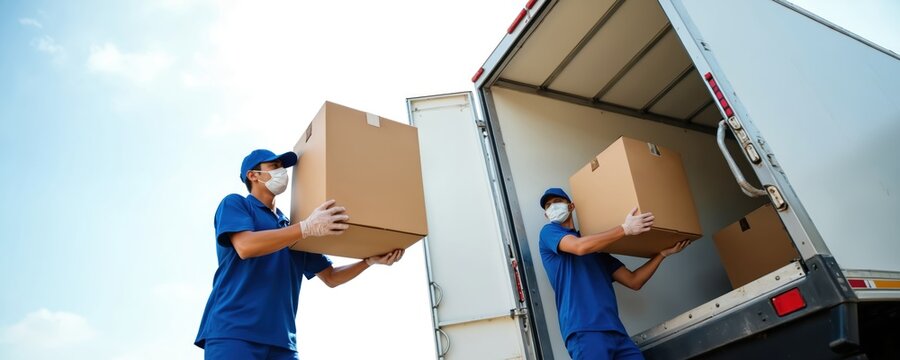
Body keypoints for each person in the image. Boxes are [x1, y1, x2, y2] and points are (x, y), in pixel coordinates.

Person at [195, 149, 405, 360]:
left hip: (282, 343)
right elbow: (245, 246)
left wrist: (368, 261)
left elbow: (331, 277)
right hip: (234, 334)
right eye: (274, 166)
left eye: (283, 167)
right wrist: (305, 228)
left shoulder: (292, 226)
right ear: (253, 175)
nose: (282, 172)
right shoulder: (236, 204)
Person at [538, 187, 690, 360]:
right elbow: (579, 247)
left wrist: (662, 255)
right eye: (548, 206)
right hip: (584, 330)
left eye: (557, 202)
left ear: (571, 206)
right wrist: (625, 229)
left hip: (616, 331)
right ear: (546, 215)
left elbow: (634, 281)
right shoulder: (549, 233)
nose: (552, 207)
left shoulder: (596, 249)